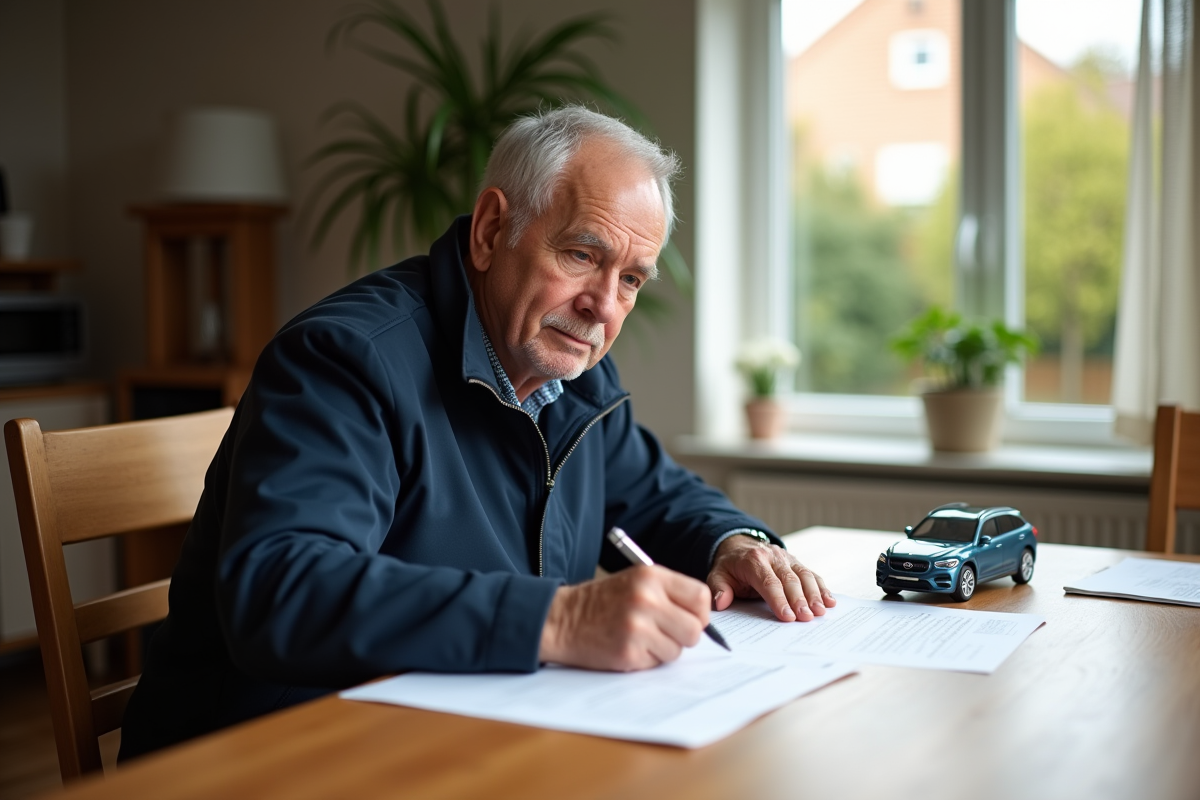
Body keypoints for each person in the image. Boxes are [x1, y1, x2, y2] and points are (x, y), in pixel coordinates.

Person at [119, 106, 835, 760]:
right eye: (583, 255)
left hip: (461, 734)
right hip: (276, 755)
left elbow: (654, 494)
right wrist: (557, 621)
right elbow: (284, 589)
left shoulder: (572, 374)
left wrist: (733, 544)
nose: (601, 308)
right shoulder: (347, 360)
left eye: (631, 280)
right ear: (493, 231)